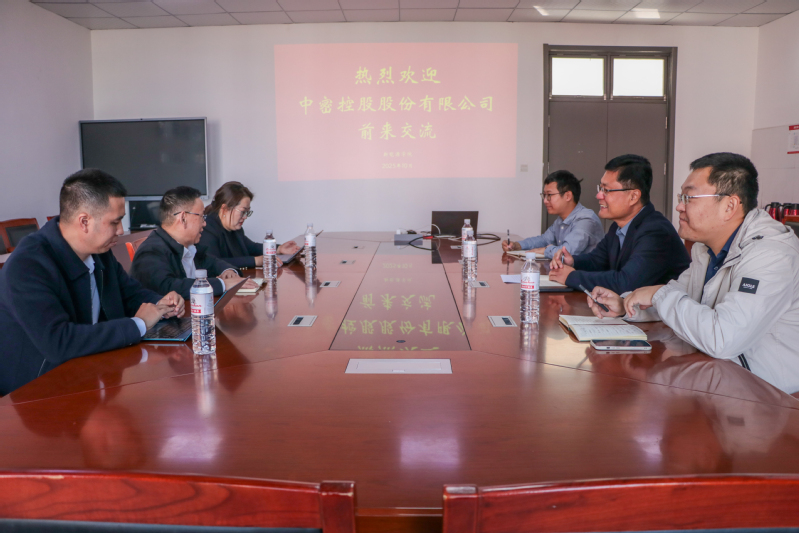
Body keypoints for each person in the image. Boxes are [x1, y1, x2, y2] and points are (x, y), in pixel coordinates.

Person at [586, 152, 799, 395]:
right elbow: (679, 298)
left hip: (771, 397)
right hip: (718, 380)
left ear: (729, 206)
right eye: (681, 197)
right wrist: (626, 305)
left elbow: (723, 338)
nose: (679, 206)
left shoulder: (771, 255)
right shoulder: (706, 249)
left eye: (689, 197)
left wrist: (658, 294)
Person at [0, 169, 184, 395]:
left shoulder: (99, 252)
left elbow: (131, 293)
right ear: (84, 222)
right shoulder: (28, 265)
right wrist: (138, 324)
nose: (120, 230)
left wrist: (162, 304)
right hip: (37, 393)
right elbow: (59, 343)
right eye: (115, 222)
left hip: (92, 374)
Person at [549, 154, 689, 293]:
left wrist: (571, 276)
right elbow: (597, 261)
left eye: (606, 190)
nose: (599, 195)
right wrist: (572, 262)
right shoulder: (618, 226)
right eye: (600, 189)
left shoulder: (656, 231)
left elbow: (626, 283)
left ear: (633, 196)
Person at [130, 186, 259, 299]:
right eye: (202, 216)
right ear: (183, 218)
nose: (204, 223)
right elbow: (168, 287)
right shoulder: (151, 251)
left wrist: (228, 271)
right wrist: (223, 284)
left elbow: (215, 262)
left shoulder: (190, 247)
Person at [502, 170, 604, 259]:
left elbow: (567, 251)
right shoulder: (561, 220)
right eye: (544, 195)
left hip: (585, 274)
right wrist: (517, 245)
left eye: (549, 195)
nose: (545, 201)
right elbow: (544, 240)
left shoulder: (586, 219)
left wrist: (546, 250)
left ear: (568, 196)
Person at [199, 181, 299, 269]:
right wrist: (256, 261)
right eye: (243, 212)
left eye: (247, 212)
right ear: (225, 209)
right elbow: (214, 263)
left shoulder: (235, 228)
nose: (245, 217)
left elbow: (251, 247)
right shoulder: (207, 229)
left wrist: (278, 249)